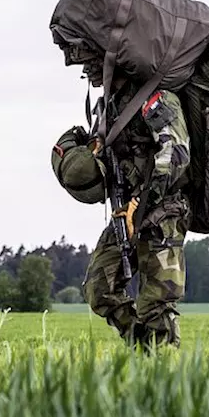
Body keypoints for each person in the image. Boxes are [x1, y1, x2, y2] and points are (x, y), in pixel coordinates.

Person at [53, 43, 193, 350]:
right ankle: (144, 352)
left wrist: (139, 204)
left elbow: (177, 153)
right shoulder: (107, 107)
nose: (86, 69)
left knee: (156, 306)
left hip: (162, 213)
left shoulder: (154, 98)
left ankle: (166, 375)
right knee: (99, 289)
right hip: (124, 213)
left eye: (92, 61)